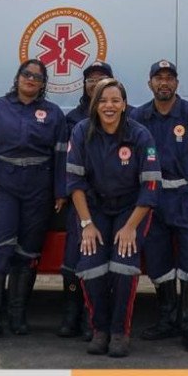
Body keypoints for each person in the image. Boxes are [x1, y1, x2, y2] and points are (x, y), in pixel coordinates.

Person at [0, 59, 68, 344]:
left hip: (39, 187)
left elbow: (62, 155)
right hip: (3, 185)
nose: (31, 79)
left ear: (43, 83)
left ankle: (17, 315)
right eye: (26, 74)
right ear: (17, 77)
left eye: (37, 77)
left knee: (28, 252)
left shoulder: (53, 114)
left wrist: (61, 191)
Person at [66, 78, 160, 358]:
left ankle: (119, 332)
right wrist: (86, 224)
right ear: (95, 105)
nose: (109, 106)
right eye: (103, 101)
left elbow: (151, 185)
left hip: (131, 210)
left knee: (124, 267)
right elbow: (74, 182)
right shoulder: (82, 131)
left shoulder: (140, 135)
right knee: (91, 265)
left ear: (124, 104)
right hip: (93, 209)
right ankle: (100, 330)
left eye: (115, 100)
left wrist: (131, 227)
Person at [130, 59, 188, 353]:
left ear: (177, 83)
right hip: (152, 200)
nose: (164, 82)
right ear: (150, 83)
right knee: (159, 264)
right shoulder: (139, 116)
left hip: (184, 197)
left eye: (169, 78)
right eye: (158, 77)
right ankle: (167, 320)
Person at [58, 60, 113, 340]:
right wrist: (62, 192)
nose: (95, 84)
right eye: (90, 79)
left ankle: (95, 319)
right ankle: (72, 314)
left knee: (99, 262)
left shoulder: (117, 117)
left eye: (101, 79)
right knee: (72, 260)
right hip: (79, 198)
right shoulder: (72, 120)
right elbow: (63, 162)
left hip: (108, 202)